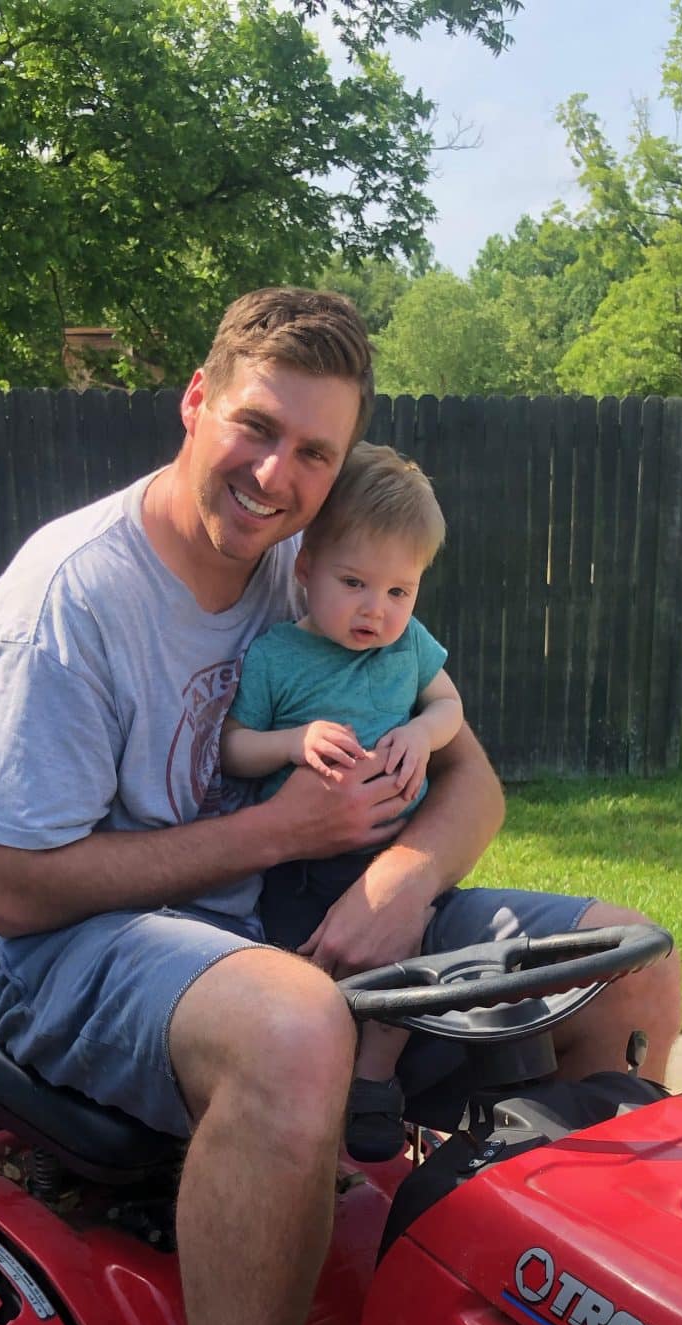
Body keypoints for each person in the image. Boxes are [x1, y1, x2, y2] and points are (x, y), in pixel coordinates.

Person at [0, 287, 682, 1325]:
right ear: (194, 401)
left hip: (286, 906)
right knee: (299, 1024)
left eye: (314, 449)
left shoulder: (318, 567)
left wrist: (394, 880)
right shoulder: (69, 596)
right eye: (258, 429)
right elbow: (16, 885)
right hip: (74, 950)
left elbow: (468, 775)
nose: (279, 474)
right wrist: (285, 828)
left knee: (620, 963)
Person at [220, 441, 461, 1160]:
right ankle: (310, 1095)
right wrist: (293, 743)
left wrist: (422, 732)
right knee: (303, 975)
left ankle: (375, 1084)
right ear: (306, 571)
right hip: (300, 867)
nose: (375, 610)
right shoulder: (276, 656)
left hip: (392, 857)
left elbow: (448, 707)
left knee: (405, 966)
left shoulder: (409, 648)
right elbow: (234, 746)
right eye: (354, 583)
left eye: (398, 591)